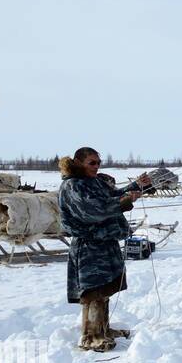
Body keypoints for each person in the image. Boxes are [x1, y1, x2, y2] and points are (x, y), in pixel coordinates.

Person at [57, 147, 151, 351]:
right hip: (89, 244)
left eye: (98, 162)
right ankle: (91, 336)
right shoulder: (73, 186)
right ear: (78, 162)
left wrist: (135, 186)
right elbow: (93, 211)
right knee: (93, 291)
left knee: (105, 287)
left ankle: (103, 329)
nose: (96, 166)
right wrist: (124, 202)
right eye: (92, 163)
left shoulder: (95, 181)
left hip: (105, 242)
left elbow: (113, 195)